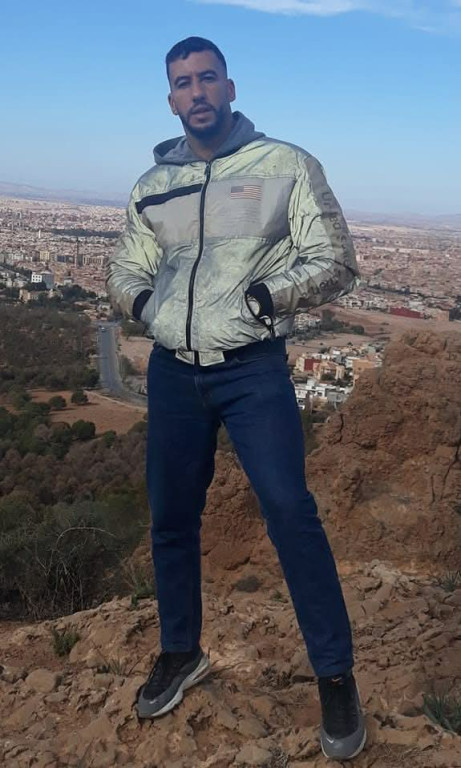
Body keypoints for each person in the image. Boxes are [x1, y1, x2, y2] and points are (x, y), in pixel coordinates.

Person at [107, 36, 366, 761]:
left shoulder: (284, 165)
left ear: (229, 87)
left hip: (252, 368)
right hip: (172, 370)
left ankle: (335, 675)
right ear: (170, 99)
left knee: (290, 513)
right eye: (182, 82)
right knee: (171, 519)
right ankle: (181, 651)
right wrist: (148, 310)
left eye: (207, 78)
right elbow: (125, 266)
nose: (196, 92)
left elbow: (335, 258)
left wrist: (264, 299)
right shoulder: (153, 184)